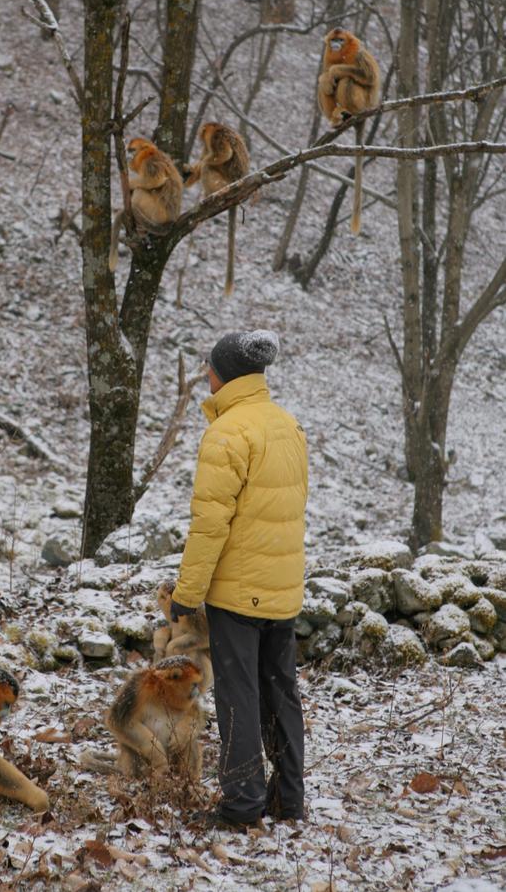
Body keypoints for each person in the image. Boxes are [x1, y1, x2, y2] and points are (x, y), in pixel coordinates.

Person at [172, 330, 308, 830]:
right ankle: (288, 800)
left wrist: (186, 596)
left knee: (239, 698)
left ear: (221, 374)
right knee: (281, 691)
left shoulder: (228, 433)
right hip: (283, 586)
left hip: (238, 593)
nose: (206, 376)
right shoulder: (287, 425)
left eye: (209, 368)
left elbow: (210, 525)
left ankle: (242, 805)